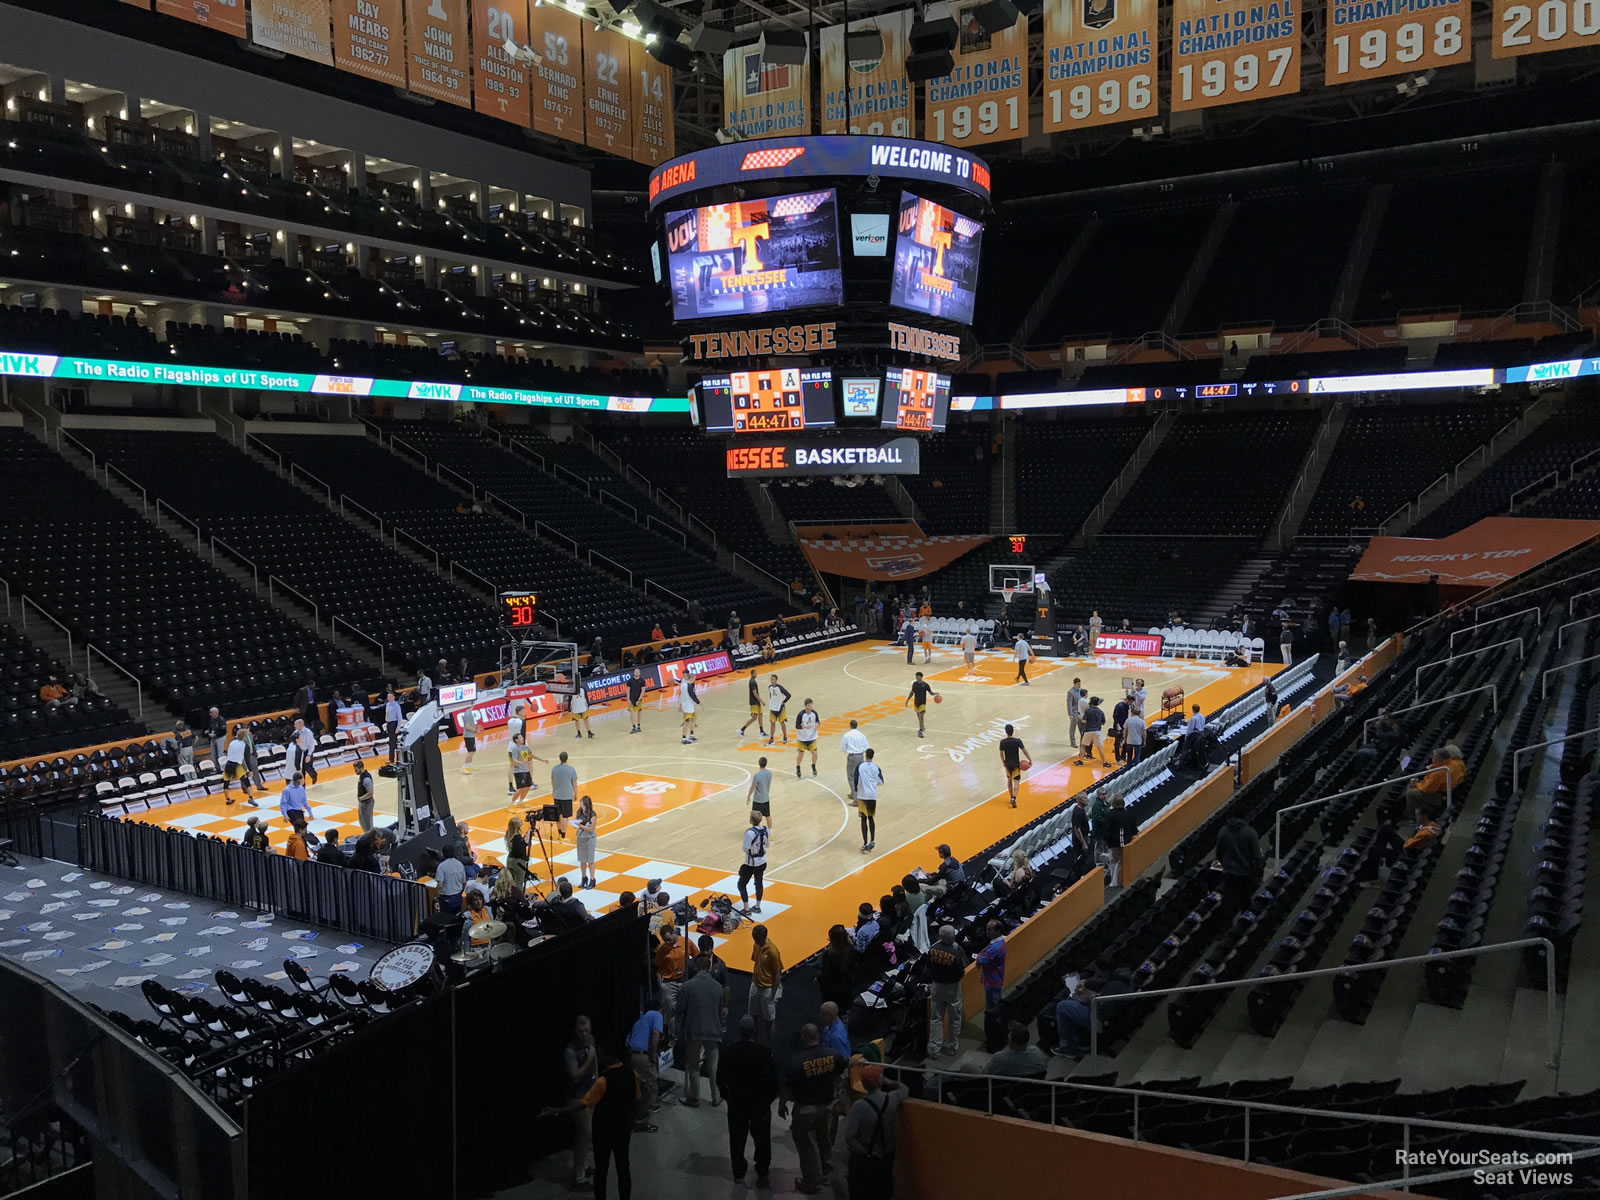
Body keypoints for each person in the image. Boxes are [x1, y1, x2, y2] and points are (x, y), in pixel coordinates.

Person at [557, 1040, 640, 1199]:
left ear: (610, 1056)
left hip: (604, 1133)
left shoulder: (603, 1080)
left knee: (601, 1171)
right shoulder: (631, 1074)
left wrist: (559, 1110)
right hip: (623, 1131)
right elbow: (637, 1098)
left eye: (601, 1054)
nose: (599, 1057)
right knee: (623, 1169)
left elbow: (583, 1103)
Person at [779, 1023, 844, 1195]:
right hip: (827, 1107)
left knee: (808, 1146)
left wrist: (782, 1104)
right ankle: (826, 1174)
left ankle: (812, 1182)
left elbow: (787, 1087)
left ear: (804, 1038)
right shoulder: (832, 1055)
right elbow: (841, 1071)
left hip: (806, 1109)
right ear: (818, 1037)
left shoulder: (797, 1061)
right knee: (825, 1141)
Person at [718, 1015, 779, 1185]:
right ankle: (762, 1168)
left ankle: (738, 1171)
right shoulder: (764, 1052)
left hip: (737, 1102)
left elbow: (720, 1078)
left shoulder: (729, 1051)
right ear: (754, 1031)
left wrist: (727, 1097)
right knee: (762, 1138)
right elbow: (773, 1079)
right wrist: (768, 1099)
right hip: (759, 1103)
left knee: (737, 1138)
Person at [845, 1064, 905, 1200]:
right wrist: (889, 1082)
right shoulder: (893, 1099)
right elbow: (904, 1088)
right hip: (886, 1157)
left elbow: (849, 1137)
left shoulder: (859, 1107)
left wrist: (866, 1152)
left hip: (864, 1160)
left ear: (864, 1084)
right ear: (880, 1080)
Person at [680, 952, 727, 1107]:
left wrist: (678, 1031)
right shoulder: (718, 987)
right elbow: (721, 1011)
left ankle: (694, 1098)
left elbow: (680, 1010)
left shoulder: (687, 986)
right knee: (713, 1066)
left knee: (693, 1065)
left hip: (693, 1030)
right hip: (713, 1030)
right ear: (709, 967)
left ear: (696, 967)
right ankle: (716, 1097)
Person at [564, 1016, 599, 1187]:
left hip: (591, 1093)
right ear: (575, 1031)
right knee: (583, 1136)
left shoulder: (591, 1040)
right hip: (578, 1098)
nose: (584, 1034)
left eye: (587, 1030)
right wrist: (589, 1058)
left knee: (587, 1137)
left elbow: (595, 1066)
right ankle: (578, 1178)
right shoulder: (570, 1051)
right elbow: (575, 1076)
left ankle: (584, 1167)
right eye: (581, 1031)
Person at [925, 926, 967, 1057]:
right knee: (954, 1017)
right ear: (951, 937)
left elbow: (929, 967)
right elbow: (961, 971)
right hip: (952, 988)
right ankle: (952, 1046)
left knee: (936, 1018)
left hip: (937, 986)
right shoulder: (955, 952)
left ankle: (933, 1049)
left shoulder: (932, 950)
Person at [625, 999, 664, 1132]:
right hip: (644, 1057)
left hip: (632, 1057)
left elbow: (628, 1041)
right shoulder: (656, 1015)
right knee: (649, 1090)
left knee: (636, 1090)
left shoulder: (639, 1020)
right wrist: (652, 1055)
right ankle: (641, 1123)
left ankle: (631, 1119)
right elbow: (655, 1033)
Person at [1215, 814, 1264, 917]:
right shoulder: (1250, 833)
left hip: (1228, 874)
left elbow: (1218, 853)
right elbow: (1258, 857)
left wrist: (1226, 866)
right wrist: (1258, 875)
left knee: (1229, 903)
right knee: (1245, 902)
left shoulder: (1223, 831)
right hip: (1245, 874)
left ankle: (1228, 927)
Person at [1407, 744, 1466, 821]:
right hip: (1449, 791)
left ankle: (1413, 818)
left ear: (1439, 759)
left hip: (1441, 797)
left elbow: (1427, 789)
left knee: (1410, 792)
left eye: (1434, 757)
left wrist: (1416, 784)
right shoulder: (1457, 763)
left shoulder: (1440, 772)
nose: (1432, 758)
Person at [748, 924, 782, 1044]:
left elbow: (777, 973)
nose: (755, 941)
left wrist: (773, 994)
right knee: (753, 1015)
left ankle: (769, 1046)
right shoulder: (756, 945)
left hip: (767, 988)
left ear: (762, 937)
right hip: (755, 985)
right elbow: (756, 962)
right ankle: (754, 1041)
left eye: (757, 939)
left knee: (769, 1020)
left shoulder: (773, 951)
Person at [818, 925, 859, 1014]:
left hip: (832, 990)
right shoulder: (852, 950)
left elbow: (825, 974)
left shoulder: (828, 955)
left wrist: (819, 980)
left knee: (830, 1011)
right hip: (847, 987)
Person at [739, 812, 770, 915]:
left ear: (751, 820)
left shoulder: (749, 833)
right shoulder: (765, 830)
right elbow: (768, 845)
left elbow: (745, 848)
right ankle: (757, 906)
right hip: (762, 862)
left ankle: (746, 909)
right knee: (759, 883)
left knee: (741, 884)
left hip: (751, 863)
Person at [854, 748, 884, 853]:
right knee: (871, 818)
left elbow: (856, 781)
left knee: (863, 819)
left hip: (863, 796)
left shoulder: (860, 767)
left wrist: (857, 790)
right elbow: (880, 782)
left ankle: (865, 842)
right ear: (873, 756)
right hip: (872, 796)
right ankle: (872, 840)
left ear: (865, 755)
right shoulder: (876, 767)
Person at [1105, 794, 1137, 887]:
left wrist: (1109, 840)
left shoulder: (1109, 815)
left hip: (1113, 843)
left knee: (1113, 862)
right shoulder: (1129, 814)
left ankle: (1114, 883)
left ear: (1113, 803)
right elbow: (1134, 830)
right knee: (1121, 862)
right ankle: (1119, 881)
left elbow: (1106, 831)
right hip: (1126, 842)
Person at [997, 723, 1031, 809]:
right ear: (1013, 731)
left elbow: (1001, 754)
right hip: (1016, 764)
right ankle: (1014, 797)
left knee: (1009, 781)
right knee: (1016, 781)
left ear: (1006, 732)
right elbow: (1024, 751)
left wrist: (1003, 762)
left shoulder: (1002, 742)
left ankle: (1011, 795)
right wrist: (1029, 759)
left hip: (1008, 764)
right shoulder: (1017, 741)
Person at [220, 731, 258, 806]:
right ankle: (251, 798)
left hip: (229, 763)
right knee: (246, 781)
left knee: (226, 783)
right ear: (244, 737)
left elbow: (228, 752)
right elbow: (247, 759)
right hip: (237, 765)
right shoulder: (245, 745)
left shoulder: (232, 742)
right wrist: (250, 770)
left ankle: (227, 799)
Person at [976, 920, 1007, 1011]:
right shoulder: (997, 942)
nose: (987, 932)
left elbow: (981, 960)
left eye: (990, 930)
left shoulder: (995, 948)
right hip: (993, 978)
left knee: (995, 1007)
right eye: (987, 929)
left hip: (993, 980)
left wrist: (978, 957)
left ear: (998, 931)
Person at [508, 732, 545, 805]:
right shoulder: (515, 749)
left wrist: (542, 760)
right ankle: (511, 804)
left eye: (522, 737)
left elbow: (532, 755)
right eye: (520, 737)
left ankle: (520, 802)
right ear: (516, 740)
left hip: (526, 770)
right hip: (519, 771)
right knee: (521, 788)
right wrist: (521, 762)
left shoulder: (525, 747)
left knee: (528, 786)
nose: (523, 738)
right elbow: (514, 760)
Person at [550, 750, 579, 838]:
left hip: (557, 795)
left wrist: (554, 791)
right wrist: (576, 794)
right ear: (567, 758)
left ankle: (559, 831)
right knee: (565, 816)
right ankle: (563, 834)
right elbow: (574, 782)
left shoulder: (554, 769)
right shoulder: (571, 769)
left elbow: (553, 781)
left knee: (558, 815)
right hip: (567, 796)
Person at [840, 719, 869, 805]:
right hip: (861, 756)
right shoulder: (861, 735)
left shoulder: (847, 735)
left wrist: (848, 750)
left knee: (851, 777)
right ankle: (855, 794)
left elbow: (843, 748)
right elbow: (867, 747)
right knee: (859, 776)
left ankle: (856, 799)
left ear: (850, 725)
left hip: (852, 757)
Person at [903, 672, 939, 738]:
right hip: (916, 702)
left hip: (922, 703)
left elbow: (931, 693)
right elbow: (912, 692)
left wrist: (935, 694)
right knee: (919, 717)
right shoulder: (914, 684)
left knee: (920, 716)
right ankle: (922, 726)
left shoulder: (925, 685)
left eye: (918, 677)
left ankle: (920, 731)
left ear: (921, 677)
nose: (916, 678)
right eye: (916, 677)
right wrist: (907, 700)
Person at [1077, 696, 1109, 766]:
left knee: (1083, 746)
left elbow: (1084, 721)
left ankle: (1080, 761)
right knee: (1099, 747)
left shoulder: (1088, 711)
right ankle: (1105, 762)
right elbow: (1103, 722)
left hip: (1088, 731)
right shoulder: (1101, 712)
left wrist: (1080, 717)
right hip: (1097, 731)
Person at [434, 845, 466, 915]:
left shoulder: (442, 866)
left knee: (445, 919)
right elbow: (464, 882)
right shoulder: (460, 864)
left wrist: (437, 899)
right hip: (458, 897)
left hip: (446, 898)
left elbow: (440, 886)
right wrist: (460, 892)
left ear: (443, 854)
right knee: (457, 919)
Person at [794, 698, 821, 777]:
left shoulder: (814, 713)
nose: (810, 707)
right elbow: (797, 726)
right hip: (802, 738)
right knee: (801, 754)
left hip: (812, 737)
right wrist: (805, 727)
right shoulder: (801, 714)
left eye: (811, 705)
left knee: (815, 754)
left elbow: (818, 722)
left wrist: (817, 725)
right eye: (809, 705)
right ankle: (798, 767)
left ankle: (813, 766)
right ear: (805, 706)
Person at [747, 756, 774, 831]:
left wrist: (748, 796)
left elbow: (753, 787)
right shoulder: (769, 773)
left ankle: (755, 831)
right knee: (768, 816)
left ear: (759, 764)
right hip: (766, 798)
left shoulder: (757, 775)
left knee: (754, 816)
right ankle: (770, 833)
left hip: (758, 800)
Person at [290, 716, 320, 785]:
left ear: (301, 725)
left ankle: (314, 776)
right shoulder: (295, 732)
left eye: (295, 724)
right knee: (301, 769)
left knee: (308, 767)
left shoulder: (308, 732)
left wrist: (309, 755)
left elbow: (311, 745)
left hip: (307, 751)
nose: (294, 726)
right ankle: (302, 784)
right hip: (299, 752)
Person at [738, 669, 766, 740]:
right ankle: (742, 730)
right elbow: (754, 693)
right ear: (752, 674)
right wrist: (761, 701)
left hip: (756, 702)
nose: (756, 674)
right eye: (755, 673)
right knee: (754, 717)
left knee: (761, 715)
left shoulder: (753, 681)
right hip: (754, 702)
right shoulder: (752, 682)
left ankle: (761, 731)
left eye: (756, 673)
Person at [764, 675, 791, 745]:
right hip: (773, 707)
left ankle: (785, 736)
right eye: (771, 679)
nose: (772, 681)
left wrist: (783, 702)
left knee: (782, 722)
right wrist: (772, 702)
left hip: (780, 707)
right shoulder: (769, 687)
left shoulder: (780, 688)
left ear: (776, 680)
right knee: (772, 723)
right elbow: (771, 696)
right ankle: (771, 739)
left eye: (773, 679)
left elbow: (788, 695)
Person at [353, 762, 376, 833]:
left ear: (361, 768)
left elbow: (370, 793)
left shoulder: (366, 778)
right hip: (363, 803)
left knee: (367, 824)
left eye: (356, 770)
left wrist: (361, 798)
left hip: (367, 803)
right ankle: (368, 835)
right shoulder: (362, 776)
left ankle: (370, 838)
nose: (355, 772)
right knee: (362, 822)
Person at [382, 691, 403, 763]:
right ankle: (391, 758)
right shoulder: (387, 704)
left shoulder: (396, 706)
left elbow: (400, 717)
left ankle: (394, 758)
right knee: (391, 742)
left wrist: (398, 727)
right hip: (389, 724)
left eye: (390, 697)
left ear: (393, 697)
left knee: (393, 742)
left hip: (394, 723)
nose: (389, 698)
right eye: (388, 697)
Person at [1065, 677, 1087, 747]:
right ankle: (1073, 742)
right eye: (1078, 684)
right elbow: (1069, 703)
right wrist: (1070, 714)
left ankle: (1083, 741)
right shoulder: (1070, 692)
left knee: (1081, 727)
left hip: (1080, 711)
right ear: (1074, 684)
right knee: (1073, 728)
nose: (1079, 685)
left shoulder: (1080, 690)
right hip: (1074, 712)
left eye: (1080, 684)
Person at [678, 674, 700, 744]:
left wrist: (680, 705)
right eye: (695, 678)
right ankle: (683, 739)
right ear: (692, 678)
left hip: (687, 706)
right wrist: (698, 702)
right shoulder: (689, 686)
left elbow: (680, 695)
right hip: (688, 707)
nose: (695, 679)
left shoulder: (683, 685)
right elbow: (692, 695)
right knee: (687, 722)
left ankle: (691, 735)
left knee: (694, 719)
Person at [458, 704, 479, 773]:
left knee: (472, 751)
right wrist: (475, 730)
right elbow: (467, 726)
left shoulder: (469, 713)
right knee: (471, 752)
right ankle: (465, 767)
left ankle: (469, 766)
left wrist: (474, 728)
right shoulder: (468, 714)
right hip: (468, 736)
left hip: (470, 735)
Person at [626, 668, 647, 735]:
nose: (637, 673)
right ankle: (633, 727)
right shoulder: (630, 681)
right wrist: (628, 699)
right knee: (632, 713)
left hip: (638, 699)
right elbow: (628, 691)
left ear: (639, 673)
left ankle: (638, 726)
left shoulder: (642, 681)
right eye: (635, 672)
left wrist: (639, 700)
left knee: (639, 712)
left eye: (638, 672)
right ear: (634, 673)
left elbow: (643, 691)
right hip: (632, 699)